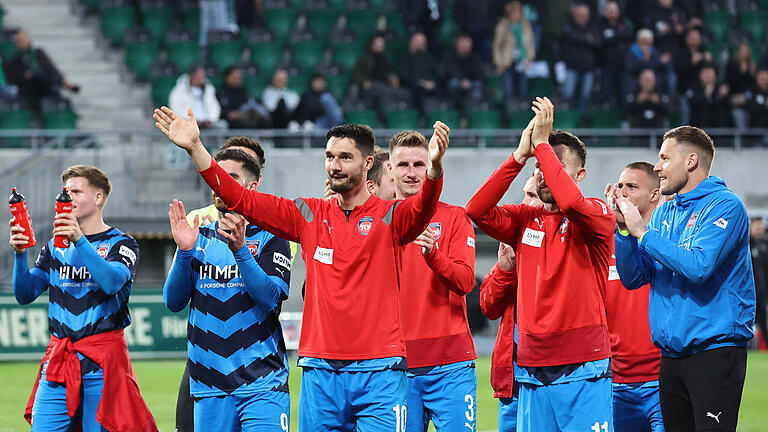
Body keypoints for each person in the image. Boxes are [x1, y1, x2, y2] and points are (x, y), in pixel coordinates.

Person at [153, 105, 450, 431]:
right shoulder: (308, 214)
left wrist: (434, 170)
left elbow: (423, 210)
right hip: (319, 370)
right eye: (329, 157)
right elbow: (241, 198)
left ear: (368, 163)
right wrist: (196, 149)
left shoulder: (392, 215)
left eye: (344, 158)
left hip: (380, 369)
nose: (334, 166)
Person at [466, 97, 615, 432]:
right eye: (540, 168)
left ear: (579, 174)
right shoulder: (525, 219)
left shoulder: (596, 214)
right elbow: (476, 210)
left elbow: (571, 206)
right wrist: (521, 155)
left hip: (583, 366)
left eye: (554, 168)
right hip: (531, 370)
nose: (544, 174)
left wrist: (544, 148)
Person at [612, 125, 755, 431]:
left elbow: (699, 266)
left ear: (690, 161)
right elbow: (635, 277)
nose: (657, 167)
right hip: (670, 356)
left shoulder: (726, 206)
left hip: (714, 352)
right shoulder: (666, 212)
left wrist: (642, 232)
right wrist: (624, 232)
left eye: (664, 158)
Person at [9, 165, 156, 431]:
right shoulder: (54, 246)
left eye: (76, 191)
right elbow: (24, 294)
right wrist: (20, 255)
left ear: (98, 198)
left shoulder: (122, 243)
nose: (67, 198)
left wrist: (79, 240)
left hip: (102, 366)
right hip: (59, 363)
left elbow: (111, 283)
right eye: (64, 192)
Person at [164, 148, 292, 431]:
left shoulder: (273, 236)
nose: (219, 185)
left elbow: (270, 299)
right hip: (209, 387)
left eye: (229, 177)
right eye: (215, 178)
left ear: (251, 186)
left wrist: (241, 251)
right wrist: (184, 252)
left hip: (262, 384)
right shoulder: (199, 237)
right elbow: (173, 302)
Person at [389, 130, 477, 432]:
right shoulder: (377, 222)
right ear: (389, 168)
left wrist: (434, 256)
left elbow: (466, 282)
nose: (412, 173)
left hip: (451, 365)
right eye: (403, 165)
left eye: (419, 164)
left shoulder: (454, 217)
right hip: (396, 366)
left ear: (432, 167)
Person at [603, 162, 664, 432]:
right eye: (620, 186)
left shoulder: (667, 240)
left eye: (632, 187)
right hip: (616, 382)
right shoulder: (605, 244)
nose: (622, 193)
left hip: (663, 378)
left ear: (655, 194)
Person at [479, 175, 542, 432]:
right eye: (525, 194)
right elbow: (489, 308)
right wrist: (505, 270)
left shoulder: (565, 246)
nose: (524, 202)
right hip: (512, 382)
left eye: (533, 195)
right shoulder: (512, 247)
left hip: (547, 379)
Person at [3, 29, 80, 105]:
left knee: (42, 76)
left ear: (28, 40)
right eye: (19, 41)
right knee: (39, 77)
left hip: (43, 84)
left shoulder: (38, 53)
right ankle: (63, 84)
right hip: (27, 87)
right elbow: (11, 78)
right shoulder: (15, 59)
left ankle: (62, 83)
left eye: (23, 39)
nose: (21, 42)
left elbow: (51, 67)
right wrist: (25, 75)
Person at [560, 3, 601, 114]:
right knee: (568, 93)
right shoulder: (568, 27)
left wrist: (581, 40)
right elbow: (571, 38)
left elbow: (597, 43)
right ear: (575, 15)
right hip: (572, 67)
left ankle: (583, 119)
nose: (583, 18)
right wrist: (587, 40)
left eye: (585, 15)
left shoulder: (593, 27)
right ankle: (568, 118)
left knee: (585, 95)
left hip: (588, 68)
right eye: (580, 15)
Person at [492, 1, 536, 100]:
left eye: (519, 11)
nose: (517, 14)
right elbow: (497, 46)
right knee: (508, 89)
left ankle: (522, 109)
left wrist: (530, 58)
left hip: (522, 61)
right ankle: (509, 110)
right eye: (515, 12)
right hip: (507, 62)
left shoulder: (525, 25)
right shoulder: (502, 26)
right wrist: (499, 63)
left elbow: (530, 43)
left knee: (523, 88)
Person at [597, 1, 633, 108]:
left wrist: (613, 36)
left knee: (623, 94)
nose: (612, 14)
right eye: (609, 11)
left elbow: (628, 35)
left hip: (622, 64)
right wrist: (618, 37)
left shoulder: (625, 23)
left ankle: (624, 120)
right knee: (605, 93)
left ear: (618, 12)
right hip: (605, 64)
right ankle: (604, 118)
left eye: (614, 11)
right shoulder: (600, 23)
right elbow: (598, 41)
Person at [169, 64, 222, 129]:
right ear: (192, 76)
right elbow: (175, 109)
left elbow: (215, 107)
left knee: (223, 125)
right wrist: (191, 121)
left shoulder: (209, 90)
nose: (203, 77)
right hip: (186, 123)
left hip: (207, 123)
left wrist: (211, 120)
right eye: (200, 75)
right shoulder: (179, 90)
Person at [397, 32, 441, 111]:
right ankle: (420, 116)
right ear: (411, 42)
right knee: (417, 90)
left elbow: (437, 72)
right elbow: (404, 74)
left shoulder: (428, 57)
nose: (421, 44)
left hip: (429, 84)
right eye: (418, 42)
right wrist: (421, 82)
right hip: (413, 84)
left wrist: (433, 82)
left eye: (423, 42)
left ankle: (439, 114)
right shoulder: (404, 56)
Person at [685, 63, 731, 128]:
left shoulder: (720, 88)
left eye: (710, 72)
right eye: (705, 72)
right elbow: (692, 102)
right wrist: (705, 94)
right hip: (698, 126)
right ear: (700, 74)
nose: (708, 75)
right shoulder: (693, 87)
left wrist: (722, 96)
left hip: (718, 127)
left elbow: (728, 103)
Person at [442, 34, 485, 102]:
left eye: (468, 44)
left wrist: (469, 81)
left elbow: (480, 72)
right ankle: (454, 105)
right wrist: (462, 80)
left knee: (478, 84)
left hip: (471, 82)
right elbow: (451, 70)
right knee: (453, 83)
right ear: (457, 44)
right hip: (457, 81)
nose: (466, 46)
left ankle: (474, 107)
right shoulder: (450, 54)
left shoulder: (475, 56)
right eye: (463, 43)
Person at [725, 43, 757, 129]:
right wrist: (741, 72)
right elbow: (730, 83)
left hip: (750, 102)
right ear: (738, 53)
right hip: (737, 101)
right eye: (742, 51)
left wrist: (753, 74)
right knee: (740, 119)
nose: (744, 54)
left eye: (746, 52)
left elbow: (754, 85)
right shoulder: (731, 65)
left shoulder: (752, 66)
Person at [751, 217, 768, 348]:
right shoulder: (746, 245)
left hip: (763, 293)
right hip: (749, 293)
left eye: (760, 226)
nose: (759, 229)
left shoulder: (764, 246)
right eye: (756, 226)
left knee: (764, 321)